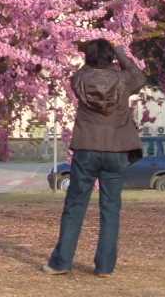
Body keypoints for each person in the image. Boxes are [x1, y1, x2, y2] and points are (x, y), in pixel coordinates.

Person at [44, 39, 147, 278]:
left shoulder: (79, 80)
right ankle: (104, 266)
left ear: (88, 59)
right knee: (111, 209)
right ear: (111, 59)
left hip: (87, 148)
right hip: (116, 149)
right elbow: (139, 77)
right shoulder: (123, 81)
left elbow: (83, 71)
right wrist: (120, 53)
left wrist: (89, 56)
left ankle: (61, 262)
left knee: (75, 206)